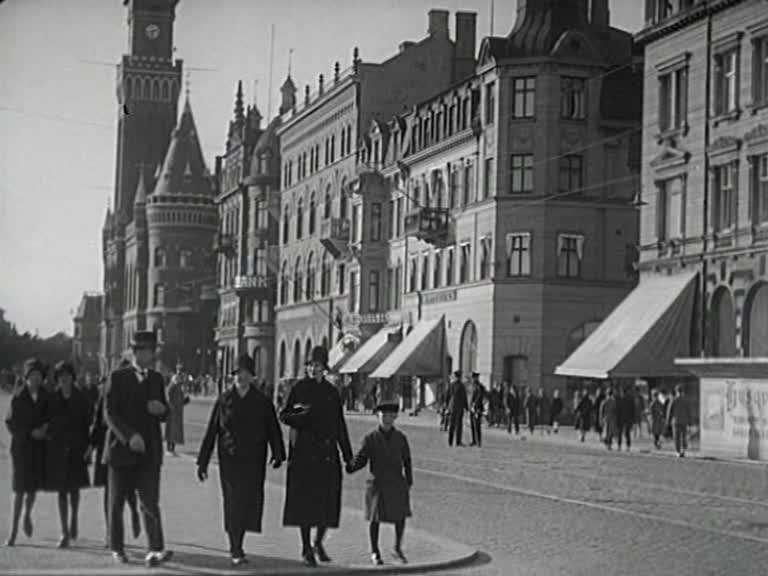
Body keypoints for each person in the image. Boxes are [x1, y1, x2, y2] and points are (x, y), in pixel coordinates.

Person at [197, 354, 285, 566]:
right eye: (237, 374)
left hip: (254, 461)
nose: (241, 378)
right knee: (232, 502)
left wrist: (278, 453)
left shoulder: (262, 402)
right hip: (230, 460)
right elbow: (212, 431)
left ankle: (239, 542)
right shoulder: (224, 400)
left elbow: (273, 429)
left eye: (245, 374)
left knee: (248, 503)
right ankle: (235, 546)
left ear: (252, 376)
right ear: (233, 376)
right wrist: (203, 461)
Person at [280, 345, 353, 567]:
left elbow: (340, 424)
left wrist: (348, 455)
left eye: (318, 366)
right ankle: (305, 548)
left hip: (327, 454)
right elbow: (283, 414)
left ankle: (318, 542)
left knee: (327, 502)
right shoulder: (298, 389)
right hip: (303, 454)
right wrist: (301, 416)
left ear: (324, 369)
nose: (314, 369)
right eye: (311, 365)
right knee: (305, 504)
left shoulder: (332, 393)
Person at [103, 331, 172, 566]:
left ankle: (156, 548)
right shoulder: (118, 377)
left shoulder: (156, 379)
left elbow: (165, 411)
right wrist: (129, 436)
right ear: (137, 352)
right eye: (148, 351)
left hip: (149, 452)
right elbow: (109, 413)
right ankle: (117, 547)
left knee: (150, 500)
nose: (152, 356)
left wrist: (162, 410)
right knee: (117, 502)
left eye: (153, 351)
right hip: (121, 450)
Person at [346, 401, 412, 566]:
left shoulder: (401, 438)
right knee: (375, 518)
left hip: (396, 482)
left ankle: (397, 547)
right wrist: (350, 466)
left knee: (400, 516)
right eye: (383, 416)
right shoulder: (370, 438)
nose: (387, 420)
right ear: (378, 417)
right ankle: (375, 551)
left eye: (390, 416)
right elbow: (362, 459)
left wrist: (409, 479)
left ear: (395, 417)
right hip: (377, 484)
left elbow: (407, 459)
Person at [91, 371, 141, 547]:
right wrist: (90, 447)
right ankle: (110, 534)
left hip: (125, 448)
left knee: (129, 491)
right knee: (110, 495)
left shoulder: (129, 399)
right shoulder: (104, 400)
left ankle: (134, 513)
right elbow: (97, 424)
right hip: (108, 450)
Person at [45, 361, 92, 548]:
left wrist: (88, 448)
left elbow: (87, 424)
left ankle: (74, 518)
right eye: (61, 375)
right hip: (58, 449)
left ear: (72, 377)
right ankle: (64, 531)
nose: (64, 378)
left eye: (67, 375)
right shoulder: (52, 399)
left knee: (74, 489)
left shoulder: (81, 399)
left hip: (77, 448)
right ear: (57, 378)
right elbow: (46, 422)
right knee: (62, 491)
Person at [4, 358, 50, 546]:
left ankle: (27, 514)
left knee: (32, 489)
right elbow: (10, 422)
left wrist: (45, 429)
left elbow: (52, 416)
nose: (36, 379)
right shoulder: (18, 397)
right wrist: (30, 432)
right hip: (22, 448)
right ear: (26, 377)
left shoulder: (47, 396)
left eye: (39, 376)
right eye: (32, 376)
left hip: (39, 448)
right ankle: (13, 532)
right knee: (19, 489)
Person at [165, 370, 189, 456]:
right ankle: (169, 449)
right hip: (172, 412)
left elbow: (180, 400)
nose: (179, 380)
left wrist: (185, 401)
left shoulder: (179, 387)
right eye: (177, 379)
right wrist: (171, 406)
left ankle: (172, 448)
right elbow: (168, 397)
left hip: (178, 412)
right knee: (171, 430)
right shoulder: (172, 387)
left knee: (175, 431)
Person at [667, 384, 691, 457]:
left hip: (676, 421)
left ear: (676, 391)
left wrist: (668, 421)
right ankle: (683, 450)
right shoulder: (686, 400)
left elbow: (669, 411)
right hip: (684, 421)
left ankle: (678, 451)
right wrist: (690, 421)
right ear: (682, 391)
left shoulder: (673, 400)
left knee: (677, 437)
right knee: (684, 437)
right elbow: (689, 411)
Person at [446, 371, 467, 447]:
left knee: (452, 425)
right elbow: (464, 397)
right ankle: (458, 441)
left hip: (452, 407)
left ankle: (450, 441)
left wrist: (446, 406)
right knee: (458, 425)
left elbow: (447, 396)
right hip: (459, 407)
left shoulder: (451, 385)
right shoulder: (461, 386)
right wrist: (466, 407)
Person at [469, 373, 486, 447]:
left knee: (477, 425)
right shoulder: (473, 386)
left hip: (477, 408)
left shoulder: (479, 387)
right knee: (473, 425)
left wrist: (474, 405)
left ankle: (478, 441)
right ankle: (474, 440)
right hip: (472, 408)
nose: (472, 379)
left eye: (473, 378)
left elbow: (479, 397)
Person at [616, 387, 635, 451]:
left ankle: (620, 446)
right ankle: (627, 446)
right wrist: (632, 419)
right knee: (626, 433)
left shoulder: (619, 399)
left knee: (621, 433)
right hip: (627, 418)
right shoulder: (630, 399)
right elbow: (633, 410)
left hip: (622, 418)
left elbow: (618, 410)